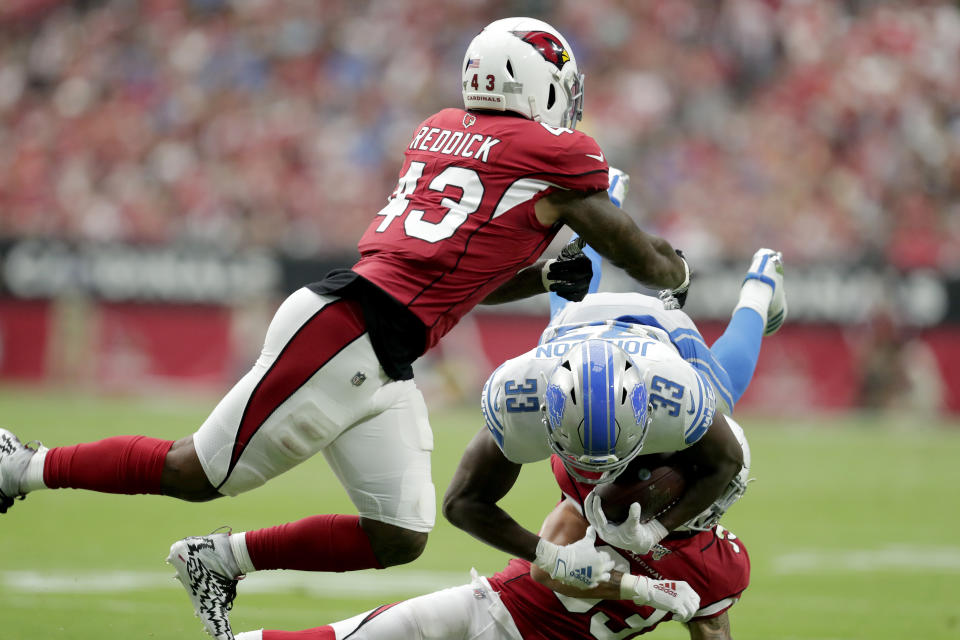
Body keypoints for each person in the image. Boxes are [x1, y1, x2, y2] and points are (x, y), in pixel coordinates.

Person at [0, 17, 689, 640]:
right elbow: (642, 257)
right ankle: (22, 466)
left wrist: (542, 277)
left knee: (400, 531)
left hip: (375, 340)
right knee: (197, 471)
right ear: (540, 86)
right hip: (348, 330)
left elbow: (460, 274)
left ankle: (219, 559)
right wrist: (678, 270)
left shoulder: (450, 128)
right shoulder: (552, 156)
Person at [230, 419, 753, 640]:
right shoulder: (605, 503)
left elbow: (711, 629)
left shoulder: (717, 568)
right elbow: (549, 571)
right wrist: (641, 587)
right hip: (497, 610)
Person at [442, 243, 785, 565]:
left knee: (723, 394)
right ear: (545, 409)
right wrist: (550, 558)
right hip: (576, 325)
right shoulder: (520, 392)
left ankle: (761, 284)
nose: (594, 473)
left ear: (647, 410)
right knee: (570, 296)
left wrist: (657, 530)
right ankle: (601, 210)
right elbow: (461, 503)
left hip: (660, 328)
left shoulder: (675, 390)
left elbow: (727, 460)